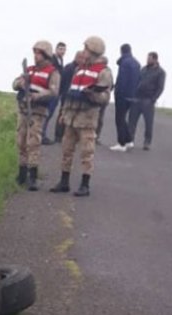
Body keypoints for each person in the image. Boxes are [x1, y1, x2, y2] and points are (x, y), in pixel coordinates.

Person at [50, 36, 113, 197]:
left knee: (87, 152)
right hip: (71, 117)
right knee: (66, 150)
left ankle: (85, 185)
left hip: (87, 119)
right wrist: (63, 113)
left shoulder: (104, 72)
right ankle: (64, 182)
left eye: (86, 49)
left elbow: (105, 97)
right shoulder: (79, 69)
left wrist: (92, 94)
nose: (83, 52)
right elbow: (69, 94)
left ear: (94, 51)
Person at [13, 40, 61, 191]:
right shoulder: (29, 69)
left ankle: (33, 177)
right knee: (21, 141)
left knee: (33, 143)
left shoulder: (53, 72)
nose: (35, 56)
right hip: (23, 111)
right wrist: (20, 83)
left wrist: (37, 96)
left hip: (37, 112)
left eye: (39, 53)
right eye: (34, 52)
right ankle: (21, 174)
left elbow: (54, 91)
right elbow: (14, 83)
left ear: (46, 54)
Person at [128, 52, 166, 150]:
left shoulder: (160, 72)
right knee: (132, 121)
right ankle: (130, 140)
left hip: (148, 100)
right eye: (147, 58)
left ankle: (147, 142)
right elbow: (137, 81)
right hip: (137, 98)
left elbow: (160, 87)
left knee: (148, 123)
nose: (147, 60)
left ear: (155, 59)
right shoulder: (143, 69)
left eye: (149, 58)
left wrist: (153, 99)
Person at [109, 44, 141, 152]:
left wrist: (117, 91)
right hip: (132, 95)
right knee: (123, 118)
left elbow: (122, 79)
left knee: (119, 118)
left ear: (121, 51)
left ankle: (121, 143)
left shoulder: (124, 63)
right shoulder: (137, 63)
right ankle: (129, 140)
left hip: (123, 95)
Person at [55, 51, 85, 143]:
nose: (83, 60)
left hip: (72, 95)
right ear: (77, 57)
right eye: (82, 58)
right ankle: (58, 135)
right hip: (66, 94)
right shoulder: (70, 68)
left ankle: (67, 135)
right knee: (63, 113)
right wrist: (61, 93)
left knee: (70, 114)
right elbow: (63, 81)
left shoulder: (80, 69)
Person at [42, 42, 67, 145]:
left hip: (57, 91)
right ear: (56, 49)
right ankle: (41, 135)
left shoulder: (60, 60)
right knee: (47, 113)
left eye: (64, 49)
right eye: (60, 49)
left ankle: (42, 134)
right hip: (52, 90)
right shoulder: (53, 60)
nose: (62, 51)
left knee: (50, 113)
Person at [95, 56, 112, 144]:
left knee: (100, 118)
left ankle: (96, 137)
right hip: (95, 97)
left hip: (102, 98)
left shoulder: (107, 72)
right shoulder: (96, 70)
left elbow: (108, 85)